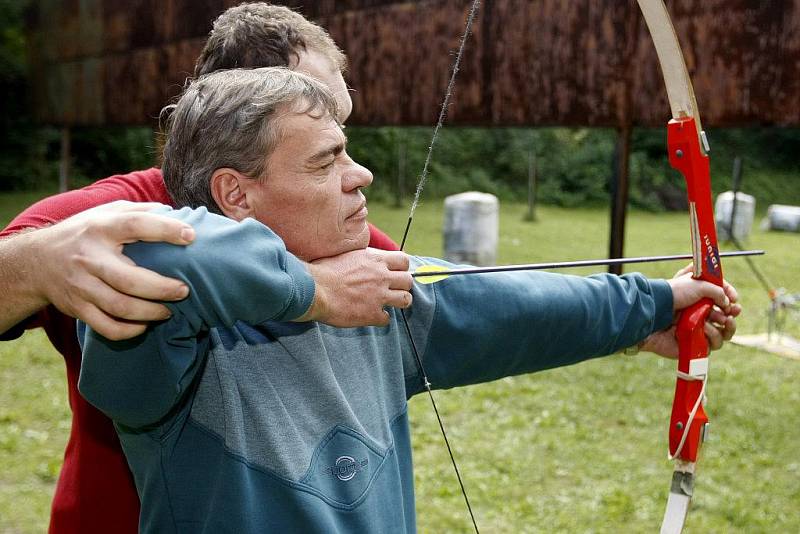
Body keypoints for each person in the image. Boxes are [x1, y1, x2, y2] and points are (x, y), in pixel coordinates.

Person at [79, 67, 740, 532]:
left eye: (349, 153)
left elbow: (526, 307)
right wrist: (315, 293)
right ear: (237, 196)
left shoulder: (382, 293)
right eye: (325, 161)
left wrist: (657, 308)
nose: (359, 174)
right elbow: (147, 254)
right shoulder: (154, 326)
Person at [0, 4, 408, 533]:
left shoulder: (338, 228)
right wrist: (40, 261)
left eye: (339, 121)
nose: (338, 146)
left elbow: (416, 300)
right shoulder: (117, 215)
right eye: (304, 109)